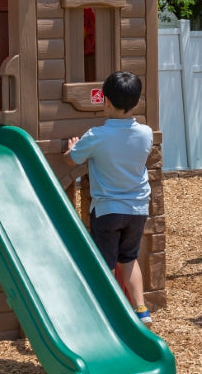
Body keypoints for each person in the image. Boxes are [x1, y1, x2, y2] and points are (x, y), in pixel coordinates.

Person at [64, 71, 155, 328]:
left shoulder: (97, 135)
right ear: (136, 103)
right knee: (128, 259)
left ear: (104, 101)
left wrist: (73, 148)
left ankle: (109, 313)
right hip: (137, 208)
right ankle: (141, 309)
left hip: (108, 210)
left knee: (104, 265)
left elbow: (71, 159)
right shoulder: (146, 134)